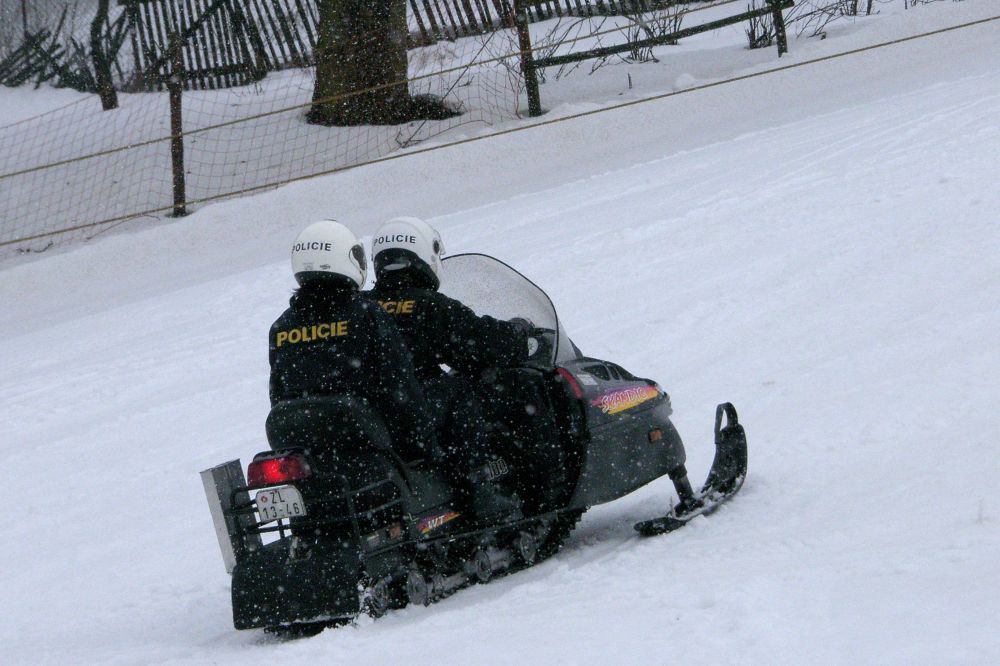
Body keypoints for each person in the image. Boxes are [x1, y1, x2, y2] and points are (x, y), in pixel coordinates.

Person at [367, 216, 530, 521]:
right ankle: (478, 487)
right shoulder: (429, 305)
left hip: (374, 414)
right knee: (458, 391)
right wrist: (518, 334)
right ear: (423, 256)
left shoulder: (363, 307)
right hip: (412, 411)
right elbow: (479, 345)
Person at [267, 220, 439, 465]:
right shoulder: (367, 314)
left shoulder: (281, 326)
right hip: (367, 445)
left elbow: (278, 393)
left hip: (309, 449)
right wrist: (425, 446)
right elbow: (399, 385)